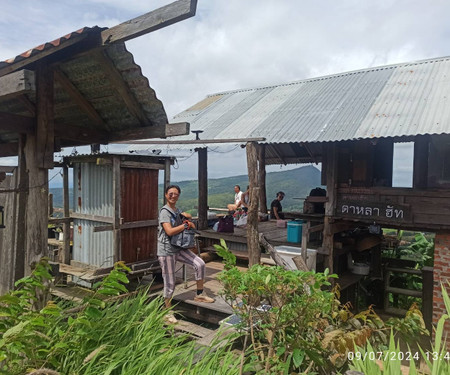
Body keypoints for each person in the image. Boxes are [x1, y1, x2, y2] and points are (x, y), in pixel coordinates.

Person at [158, 185, 214, 324]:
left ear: (178, 196)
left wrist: (189, 221)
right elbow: (169, 231)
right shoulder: (164, 212)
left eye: (176, 194)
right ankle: (167, 311)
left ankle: (199, 294)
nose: (173, 196)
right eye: (170, 194)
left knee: (199, 263)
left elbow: (191, 224)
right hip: (167, 250)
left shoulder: (177, 211)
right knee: (170, 281)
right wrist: (184, 226)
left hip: (179, 247)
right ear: (166, 195)